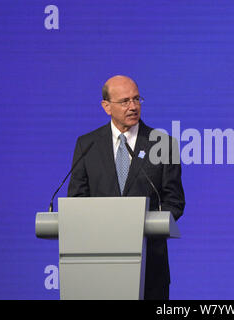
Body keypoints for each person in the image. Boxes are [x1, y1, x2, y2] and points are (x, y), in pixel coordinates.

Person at [67, 75, 185, 300]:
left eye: (136, 99)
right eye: (124, 101)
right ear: (106, 106)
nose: (133, 106)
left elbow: (175, 202)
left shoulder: (163, 144)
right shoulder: (87, 144)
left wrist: (138, 225)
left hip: (150, 267)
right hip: (97, 266)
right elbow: (76, 200)